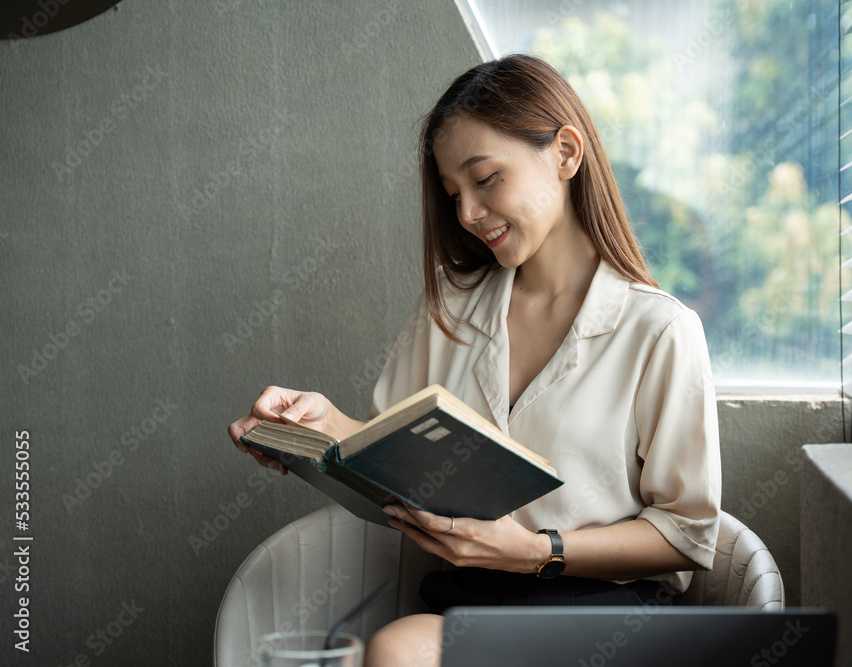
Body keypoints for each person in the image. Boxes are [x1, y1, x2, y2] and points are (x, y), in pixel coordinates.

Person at [228, 54, 721, 667]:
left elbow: (687, 533)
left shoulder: (661, 330)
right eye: (453, 192)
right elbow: (396, 461)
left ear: (566, 154)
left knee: (400, 648)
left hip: (604, 614)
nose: (465, 213)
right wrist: (321, 425)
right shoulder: (449, 308)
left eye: (485, 179)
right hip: (465, 602)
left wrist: (540, 551)